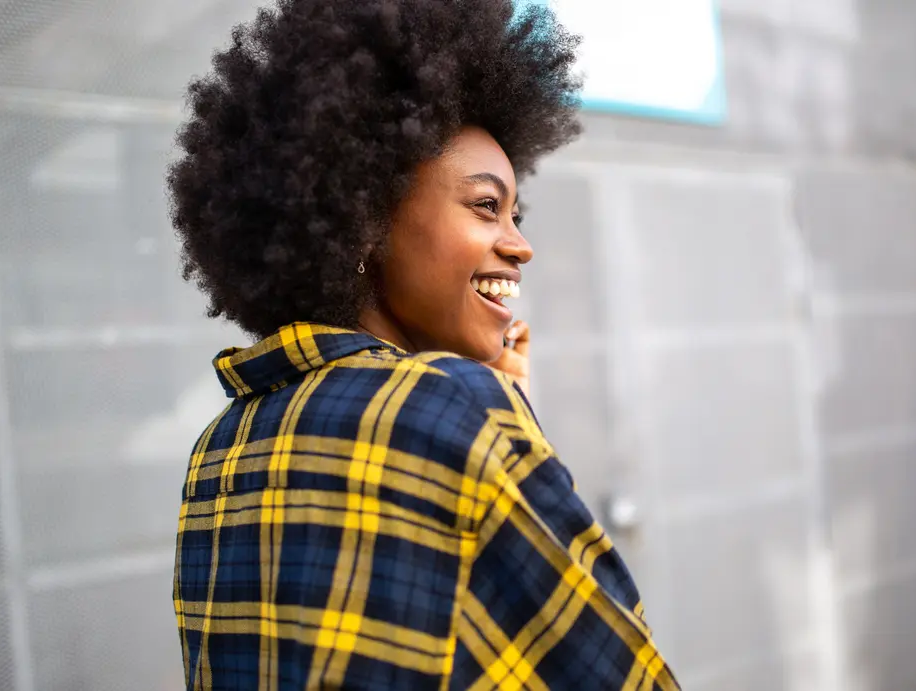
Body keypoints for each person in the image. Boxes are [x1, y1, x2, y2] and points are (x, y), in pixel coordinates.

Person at [167, 0, 678, 688]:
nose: (520, 245)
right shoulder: (453, 410)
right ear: (368, 217)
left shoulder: (220, 445)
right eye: (485, 205)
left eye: (516, 214)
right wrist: (503, 413)